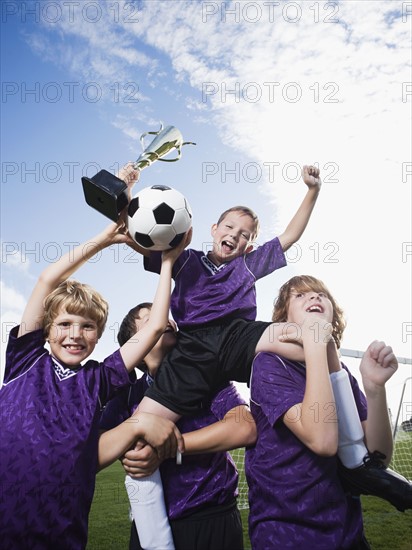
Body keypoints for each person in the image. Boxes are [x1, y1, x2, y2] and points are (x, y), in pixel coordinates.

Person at [122, 165, 322, 546]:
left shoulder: (248, 264)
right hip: (192, 350)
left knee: (309, 338)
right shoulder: (186, 259)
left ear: (249, 245)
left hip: (236, 337)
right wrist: (128, 195)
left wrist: (312, 190)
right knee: (138, 434)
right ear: (213, 229)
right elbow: (142, 235)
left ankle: (350, 450)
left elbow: (291, 235)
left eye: (245, 234)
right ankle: (153, 538)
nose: (235, 234)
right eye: (229, 226)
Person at [0, 164, 190, 550]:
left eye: (87, 327)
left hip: (61, 534)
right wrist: (106, 238)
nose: (75, 334)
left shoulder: (99, 380)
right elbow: (47, 281)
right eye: (65, 324)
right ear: (48, 329)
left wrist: (167, 263)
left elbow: (153, 327)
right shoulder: (25, 361)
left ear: (99, 335)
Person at [245, 275, 411, 549]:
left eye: (321, 294)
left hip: (346, 529)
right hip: (287, 530)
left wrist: (374, 388)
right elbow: (322, 440)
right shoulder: (270, 364)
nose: (314, 297)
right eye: (300, 296)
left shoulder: (341, 373)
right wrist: (316, 346)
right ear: (284, 321)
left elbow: (377, 458)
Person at [98, 302, 257, 550]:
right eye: (152, 319)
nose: (167, 321)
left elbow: (245, 427)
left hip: (212, 518)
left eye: (167, 316)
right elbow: (95, 447)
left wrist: (169, 447)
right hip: (149, 521)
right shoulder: (126, 395)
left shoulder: (206, 374)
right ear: (135, 343)